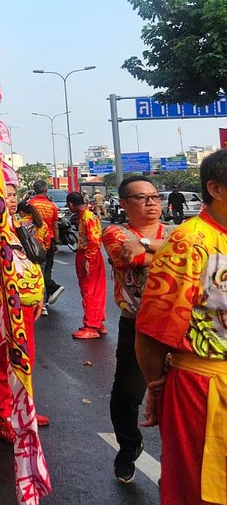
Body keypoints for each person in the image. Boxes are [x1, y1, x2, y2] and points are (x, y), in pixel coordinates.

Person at [136, 150, 227, 505]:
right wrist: (155, 385)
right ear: (215, 189)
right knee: (196, 489)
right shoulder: (190, 242)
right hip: (202, 391)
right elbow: (153, 329)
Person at [101, 176, 167, 484]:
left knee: (179, 394)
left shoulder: (178, 232)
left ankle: (179, 461)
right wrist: (166, 251)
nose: (152, 202)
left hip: (180, 325)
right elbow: (130, 257)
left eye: (155, 196)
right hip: (137, 324)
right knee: (127, 394)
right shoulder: (116, 232)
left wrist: (145, 243)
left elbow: (200, 254)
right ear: (125, 204)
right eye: (142, 198)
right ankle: (129, 446)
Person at [0, 183, 48, 441]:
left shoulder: (18, 226)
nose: (8, 199)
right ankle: (2, 415)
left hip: (25, 306)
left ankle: (23, 411)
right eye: (2, 194)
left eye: (12, 195)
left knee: (24, 358)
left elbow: (31, 261)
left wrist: (38, 294)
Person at [67, 191, 107, 339]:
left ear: (71, 204)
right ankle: (98, 322)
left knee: (89, 290)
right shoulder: (88, 215)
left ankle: (91, 326)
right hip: (89, 254)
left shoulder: (87, 217)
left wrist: (87, 259)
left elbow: (94, 240)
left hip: (89, 254)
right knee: (95, 289)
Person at [27, 180, 64, 305]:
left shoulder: (30, 204)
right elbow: (55, 225)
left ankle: (44, 298)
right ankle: (47, 295)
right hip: (50, 239)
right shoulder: (51, 206)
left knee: (36, 270)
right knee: (47, 268)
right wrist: (56, 241)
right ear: (46, 190)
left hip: (34, 241)